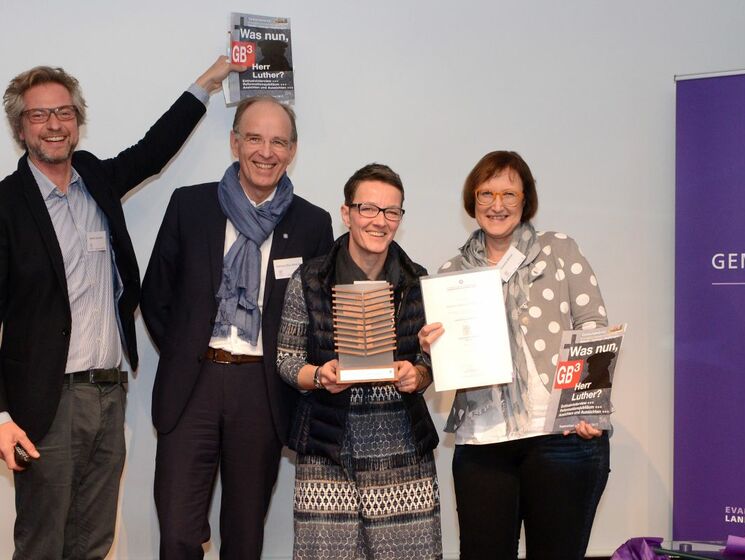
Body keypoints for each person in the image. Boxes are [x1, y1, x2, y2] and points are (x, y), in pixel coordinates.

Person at [0, 56, 240, 560]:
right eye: (40, 115)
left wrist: (208, 82)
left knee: (93, 542)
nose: (54, 125)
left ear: (78, 121)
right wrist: (1, 415)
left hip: (110, 393)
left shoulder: (94, 179)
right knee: (43, 544)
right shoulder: (6, 206)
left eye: (64, 112)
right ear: (21, 126)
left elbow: (153, 151)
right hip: (46, 402)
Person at [140, 95, 333, 559]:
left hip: (262, 391)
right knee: (179, 534)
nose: (265, 151)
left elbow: (319, 314)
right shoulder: (191, 206)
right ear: (234, 143)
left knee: (245, 536)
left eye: (278, 141)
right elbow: (155, 295)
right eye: (254, 138)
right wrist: (188, 349)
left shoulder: (311, 223)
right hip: (193, 384)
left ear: (292, 150)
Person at [418, 150, 610, 560]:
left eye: (509, 193)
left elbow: (591, 326)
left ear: (526, 200)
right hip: (483, 442)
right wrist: (433, 349)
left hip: (560, 437)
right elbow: (448, 362)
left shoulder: (558, 250)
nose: (497, 204)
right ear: (472, 201)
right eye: (486, 193)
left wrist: (586, 406)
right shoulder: (452, 274)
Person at [277, 163, 442, 559]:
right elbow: (286, 359)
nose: (380, 221)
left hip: (401, 445)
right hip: (328, 446)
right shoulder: (310, 278)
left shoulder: (418, 280)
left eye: (391, 211)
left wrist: (418, 374)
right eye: (368, 209)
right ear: (346, 213)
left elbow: (429, 361)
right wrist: (318, 375)